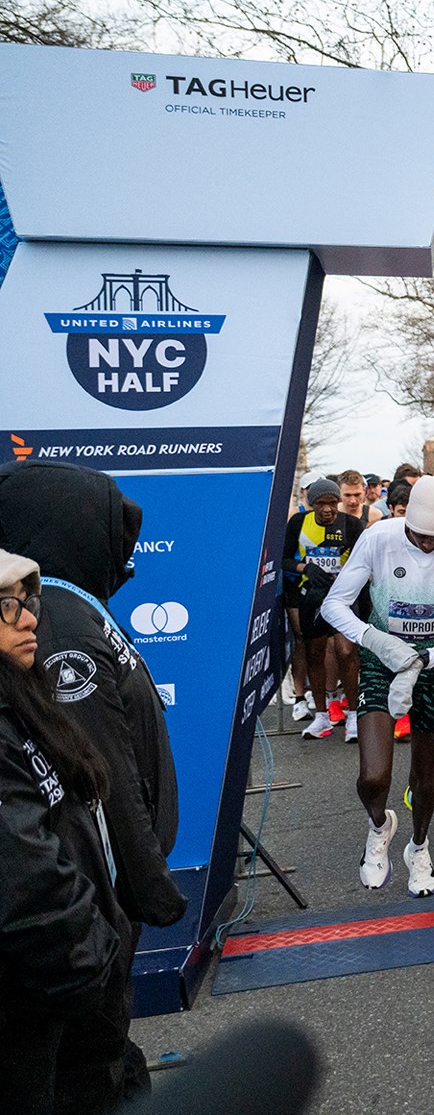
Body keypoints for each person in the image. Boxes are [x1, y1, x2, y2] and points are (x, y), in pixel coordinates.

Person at [0, 463, 186, 968]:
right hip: (103, 891)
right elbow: (103, 772)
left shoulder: (69, 606)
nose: (121, 546)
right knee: (101, 1040)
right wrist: (150, 885)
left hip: (109, 883)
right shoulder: (58, 623)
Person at [0, 550, 144, 1115]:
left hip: (72, 1010)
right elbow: (26, 885)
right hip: (45, 1012)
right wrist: (96, 968)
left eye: (27, 600)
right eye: (8, 605)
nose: (31, 617)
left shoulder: (21, 701)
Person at [319, 476, 434, 899]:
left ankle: (419, 847)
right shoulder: (378, 537)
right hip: (383, 662)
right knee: (372, 776)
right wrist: (378, 641)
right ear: (406, 521)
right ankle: (380, 826)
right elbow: (334, 604)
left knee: (424, 776)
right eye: (421, 536)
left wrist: (428, 658)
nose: (431, 544)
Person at [284, 477, 364, 740]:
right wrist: (305, 568)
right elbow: (283, 559)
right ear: (311, 503)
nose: (327, 509)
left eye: (332, 502)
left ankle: (353, 715)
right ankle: (321, 716)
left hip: (343, 598)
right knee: (314, 654)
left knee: (346, 652)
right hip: (311, 596)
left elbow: (365, 562)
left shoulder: (351, 525)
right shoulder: (299, 522)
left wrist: (346, 580)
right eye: (321, 503)